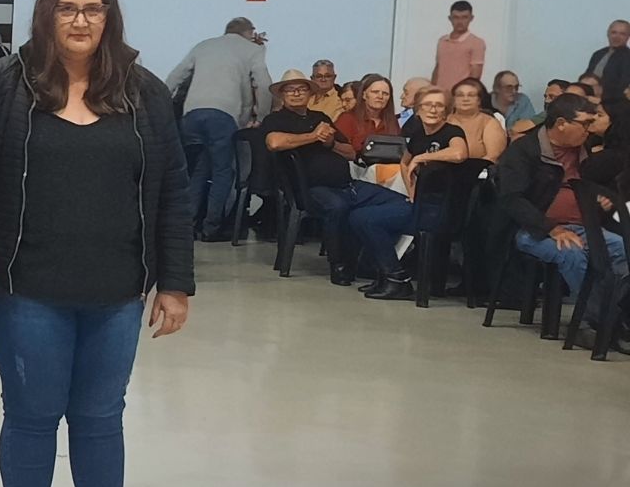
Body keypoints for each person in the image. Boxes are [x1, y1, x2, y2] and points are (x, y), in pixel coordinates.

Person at [0, 0, 192, 487]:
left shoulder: (144, 92)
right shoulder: (1, 87)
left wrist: (175, 282)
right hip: (25, 288)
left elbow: (173, 190)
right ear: (46, 14)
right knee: (32, 416)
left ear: (109, 15)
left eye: (93, 8)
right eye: (67, 8)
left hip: (117, 291)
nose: (81, 21)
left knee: (99, 419)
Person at [261, 69, 405, 285]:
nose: (297, 93)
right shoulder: (275, 119)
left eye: (301, 89)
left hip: (347, 184)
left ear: (310, 93)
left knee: (398, 203)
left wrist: (330, 143)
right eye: (290, 90)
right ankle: (339, 265)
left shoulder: (321, 118)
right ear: (282, 94)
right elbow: (274, 143)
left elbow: (350, 152)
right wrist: (313, 136)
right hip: (310, 189)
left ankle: (369, 261)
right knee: (338, 207)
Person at [495, 95, 625, 331]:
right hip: (533, 230)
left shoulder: (585, 149)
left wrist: (604, 198)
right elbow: (512, 199)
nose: (589, 129)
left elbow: (600, 184)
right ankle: (604, 321)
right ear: (562, 123)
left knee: (622, 247)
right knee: (571, 253)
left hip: (585, 226)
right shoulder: (524, 151)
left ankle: (616, 312)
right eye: (585, 123)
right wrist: (551, 228)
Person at [342, 86, 469, 300]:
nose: (433, 109)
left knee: (368, 219)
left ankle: (396, 278)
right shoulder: (418, 134)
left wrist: (422, 158)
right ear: (418, 109)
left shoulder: (452, 132)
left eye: (439, 105)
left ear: (446, 110)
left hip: (442, 209)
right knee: (357, 216)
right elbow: (404, 162)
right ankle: (388, 273)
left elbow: (459, 153)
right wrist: (412, 191)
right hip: (421, 203)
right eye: (427, 105)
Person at [165, 18, 271, 241]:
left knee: (198, 171)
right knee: (223, 172)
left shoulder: (204, 45)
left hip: (192, 115)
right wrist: (262, 116)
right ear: (249, 33)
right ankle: (211, 228)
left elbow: (176, 75)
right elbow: (262, 83)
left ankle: (187, 226)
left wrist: (161, 104)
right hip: (222, 116)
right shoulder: (252, 50)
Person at [447, 76, 507, 162]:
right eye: (460, 95)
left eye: (471, 95)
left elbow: (492, 157)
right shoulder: (444, 121)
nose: (465, 99)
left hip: (478, 168)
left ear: (479, 100)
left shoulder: (489, 122)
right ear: (453, 100)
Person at [431, 1, 485, 91]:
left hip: (460, 95)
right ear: (450, 18)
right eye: (456, 17)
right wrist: (432, 89)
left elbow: (475, 77)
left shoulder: (477, 43)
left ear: (471, 18)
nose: (460, 22)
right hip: (440, 94)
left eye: (464, 17)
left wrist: (463, 94)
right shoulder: (442, 41)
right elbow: (437, 68)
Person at [587, 20, 630, 96]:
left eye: (622, 34)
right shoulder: (598, 54)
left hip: (610, 97)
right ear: (608, 34)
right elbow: (587, 74)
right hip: (588, 91)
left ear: (628, 36)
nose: (617, 37)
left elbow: (623, 84)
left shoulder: (627, 57)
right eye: (614, 32)